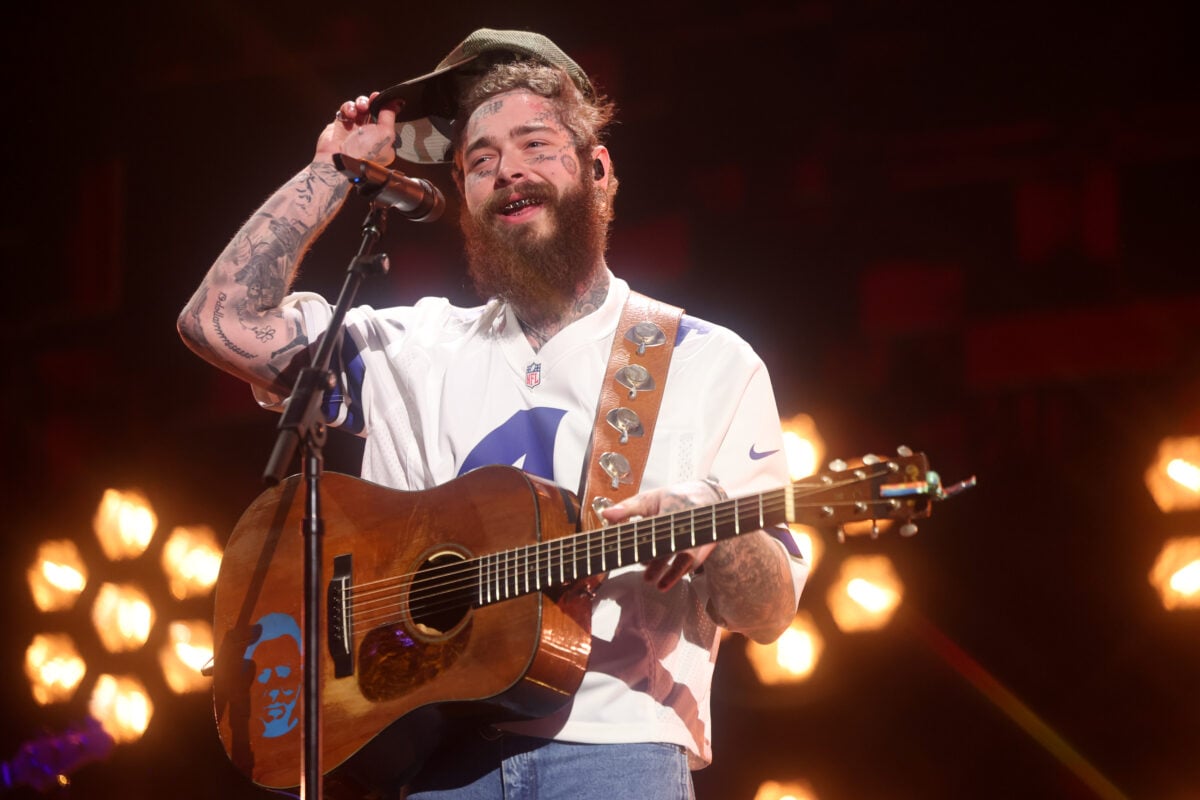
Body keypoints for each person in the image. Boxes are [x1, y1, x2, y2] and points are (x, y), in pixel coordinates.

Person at [179, 28, 808, 800]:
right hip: (427, 754)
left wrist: (717, 533)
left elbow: (773, 610)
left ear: (599, 172)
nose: (508, 169)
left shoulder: (707, 361)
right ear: (465, 199)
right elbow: (219, 324)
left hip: (615, 752)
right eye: (480, 160)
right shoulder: (410, 345)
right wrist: (331, 172)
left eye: (536, 144)